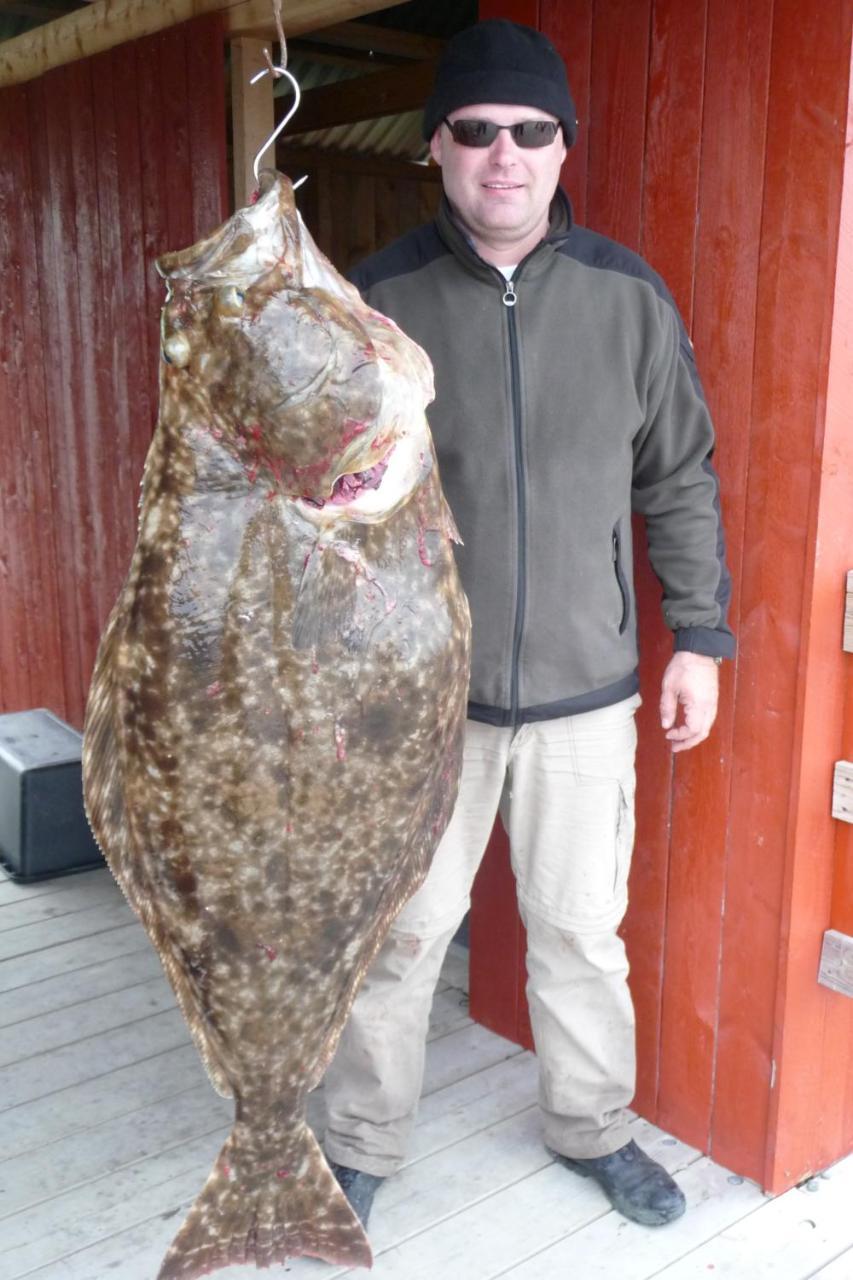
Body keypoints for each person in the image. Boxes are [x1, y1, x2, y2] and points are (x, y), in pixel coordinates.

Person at [323, 18, 735, 1231]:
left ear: (562, 148)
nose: (505, 154)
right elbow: (321, 505)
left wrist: (699, 640)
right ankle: (357, 1141)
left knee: (577, 932)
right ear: (436, 148)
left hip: (584, 688)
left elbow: (679, 477)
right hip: (419, 695)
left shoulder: (627, 297)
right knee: (397, 938)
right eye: (479, 130)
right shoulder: (377, 302)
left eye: (531, 131)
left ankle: (592, 1126)